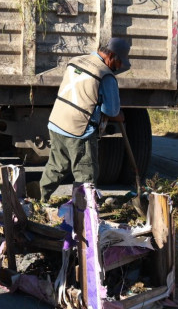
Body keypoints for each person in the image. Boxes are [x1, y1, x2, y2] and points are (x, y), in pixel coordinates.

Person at [38, 38, 129, 202]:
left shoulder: (75, 61)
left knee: (56, 165)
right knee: (86, 173)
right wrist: (119, 115)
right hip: (79, 129)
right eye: (120, 61)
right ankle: (83, 212)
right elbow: (111, 110)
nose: (120, 66)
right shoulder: (106, 75)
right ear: (112, 56)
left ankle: (38, 199)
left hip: (57, 122)